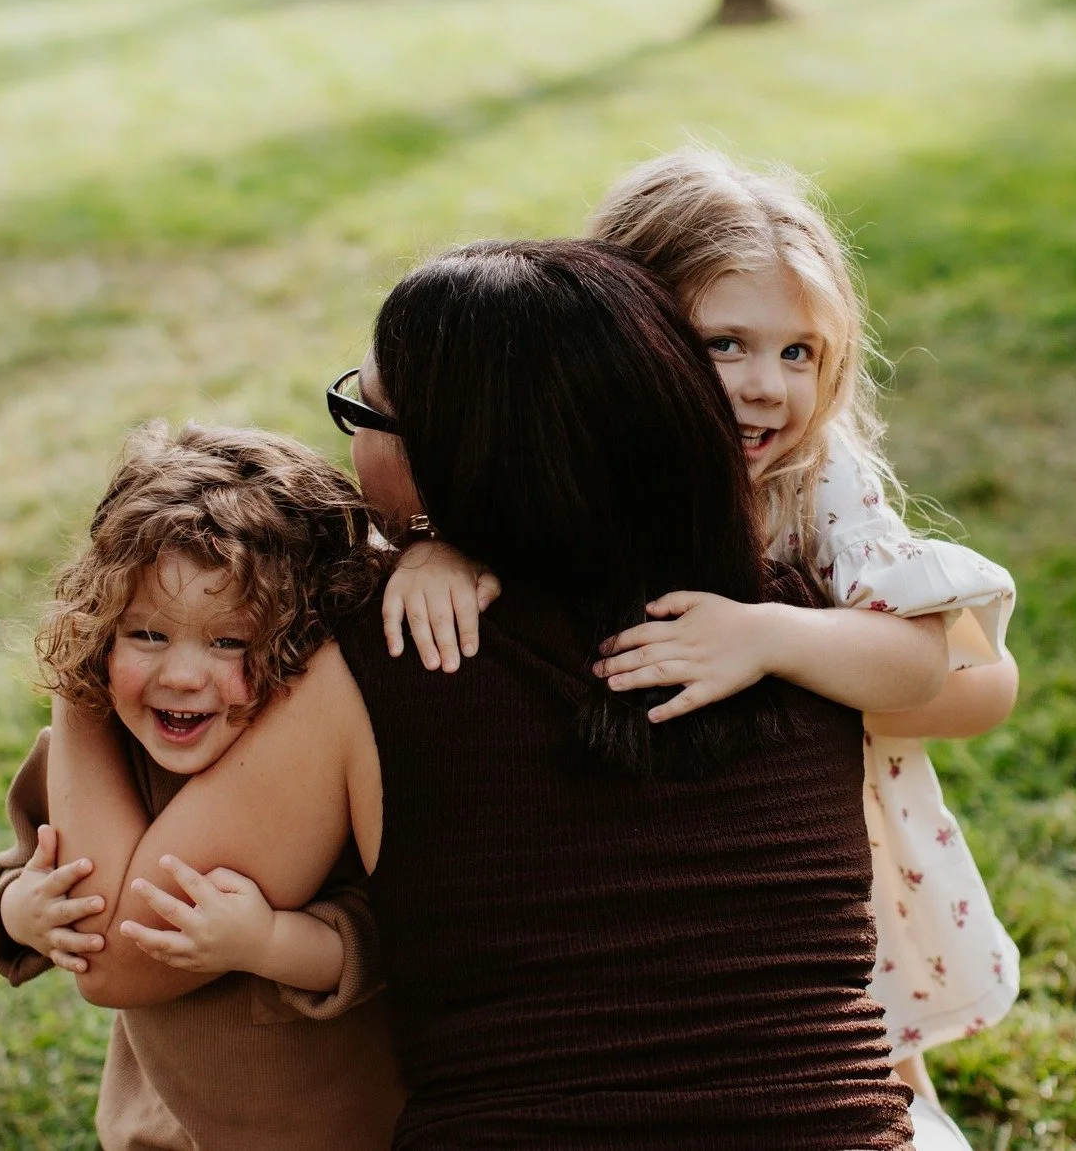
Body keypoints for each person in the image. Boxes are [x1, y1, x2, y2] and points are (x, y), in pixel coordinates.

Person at [46, 241, 917, 1150]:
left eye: (365, 412)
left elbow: (116, 952)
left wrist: (84, 666)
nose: (351, 440)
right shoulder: (799, 632)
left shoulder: (394, 660)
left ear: (450, 463)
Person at [385, 151, 1020, 1149]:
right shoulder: (564, 453)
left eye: (799, 353)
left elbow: (964, 676)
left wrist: (772, 634)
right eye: (725, 344)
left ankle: (900, 1108)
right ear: (623, 333)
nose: (767, 391)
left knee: (853, 1016)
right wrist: (433, 544)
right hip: (610, 893)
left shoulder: (814, 487)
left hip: (813, 850)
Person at [0, 422, 405, 1151]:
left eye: (229, 641)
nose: (181, 676)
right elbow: (27, 861)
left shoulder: (318, 775)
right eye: (147, 635)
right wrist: (21, 912)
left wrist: (268, 940)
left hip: (320, 1130)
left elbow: (382, 934)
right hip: (157, 1127)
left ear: (297, 646)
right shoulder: (95, 757)